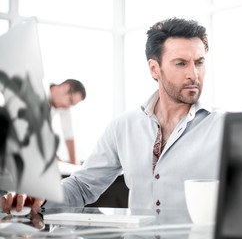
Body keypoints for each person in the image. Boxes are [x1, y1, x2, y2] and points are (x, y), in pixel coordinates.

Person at [1, 18, 225, 215]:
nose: (193, 74)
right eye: (181, 63)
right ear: (154, 69)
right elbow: (83, 185)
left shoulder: (223, 126)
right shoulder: (124, 126)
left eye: (199, 62)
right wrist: (42, 197)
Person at [49, 79, 86, 165]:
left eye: (72, 105)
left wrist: (74, 164)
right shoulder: (39, 91)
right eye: (70, 101)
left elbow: (68, 133)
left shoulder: (64, 106)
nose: (68, 107)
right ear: (65, 87)